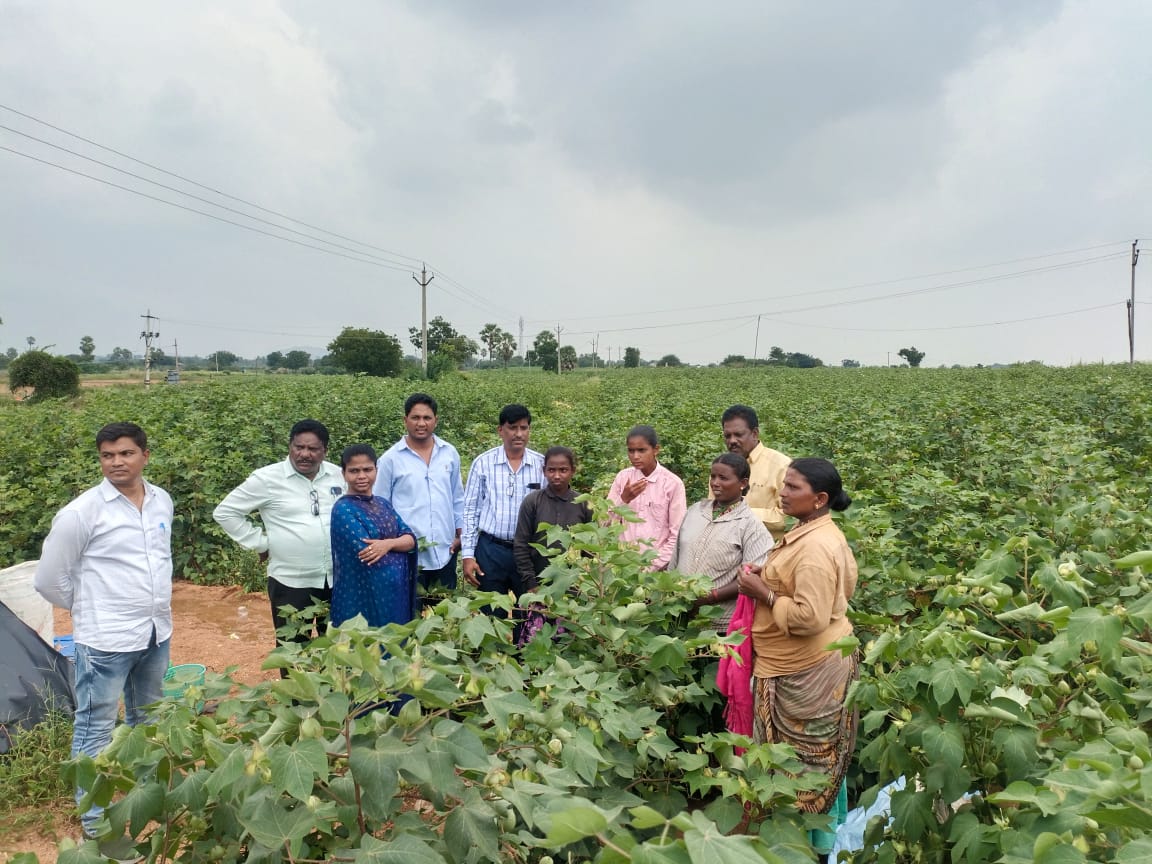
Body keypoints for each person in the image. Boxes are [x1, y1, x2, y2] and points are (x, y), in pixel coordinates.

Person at [35, 422, 173, 841]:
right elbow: (48, 580)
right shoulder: (82, 512)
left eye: (126, 453)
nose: (116, 462)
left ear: (145, 456)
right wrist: (91, 610)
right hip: (106, 641)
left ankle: (142, 798)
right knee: (95, 727)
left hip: (155, 634)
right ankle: (95, 823)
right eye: (108, 455)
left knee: (145, 720)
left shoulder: (161, 500)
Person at [736, 457, 859, 845]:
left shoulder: (817, 548)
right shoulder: (813, 531)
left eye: (793, 488)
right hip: (797, 663)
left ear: (819, 498)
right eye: (783, 484)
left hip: (807, 669)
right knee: (803, 761)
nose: (782, 493)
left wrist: (765, 593)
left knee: (806, 765)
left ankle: (801, 845)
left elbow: (811, 617)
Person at [213, 419, 343, 661]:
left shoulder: (338, 475)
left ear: (325, 450)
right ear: (290, 446)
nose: (304, 454)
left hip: (337, 579)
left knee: (337, 645)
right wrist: (260, 543)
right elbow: (226, 512)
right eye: (298, 447)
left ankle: (334, 696)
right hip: (291, 582)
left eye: (313, 449)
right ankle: (297, 698)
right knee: (293, 648)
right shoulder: (267, 479)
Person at [374, 394, 464, 606]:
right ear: (405, 420)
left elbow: (457, 498)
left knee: (444, 622)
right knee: (408, 622)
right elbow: (380, 508)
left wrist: (462, 535)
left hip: (445, 552)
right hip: (407, 556)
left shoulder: (449, 453)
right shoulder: (390, 459)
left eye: (427, 417)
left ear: (436, 420)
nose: (421, 423)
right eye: (415, 418)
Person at [670, 452, 773, 631]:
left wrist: (711, 596)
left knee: (712, 658)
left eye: (723, 478)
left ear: (743, 483)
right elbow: (676, 558)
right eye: (713, 476)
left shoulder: (751, 526)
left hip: (720, 623)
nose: (715, 483)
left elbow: (751, 577)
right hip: (678, 614)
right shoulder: (695, 511)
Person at [461, 404, 544, 613]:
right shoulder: (483, 463)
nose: (519, 434)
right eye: (512, 428)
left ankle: (521, 646)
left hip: (527, 552)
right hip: (491, 550)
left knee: (527, 614)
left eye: (524, 428)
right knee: (490, 614)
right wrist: (468, 555)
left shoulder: (541, 465)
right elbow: (470, 510)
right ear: (500, 430)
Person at [330, 445, 418, 628]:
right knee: (363, 649)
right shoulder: (343, 509)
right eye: (354, 471)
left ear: (376, 470)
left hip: (395, 596)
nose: (361, 476)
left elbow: (410, 539)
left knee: (395, 646)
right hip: (361, 595)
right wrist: (396, 545)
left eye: (367, 470)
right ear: (344, 473)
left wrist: (386, 545)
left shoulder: (383, 504)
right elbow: (368, 553)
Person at [607, 425, 687, 571]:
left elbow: (676, 535)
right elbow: (605, 524)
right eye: (631, 451)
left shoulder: (672, 484)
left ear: (655, 450)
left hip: (657, 570)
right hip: (621, 565)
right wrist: (623, 499)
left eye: (641, 450)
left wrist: (650, 566)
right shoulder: (623, 478)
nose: (635, 456)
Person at [514, 446, 594, 591]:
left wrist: (585, 582)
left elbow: (590, 549)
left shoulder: (584, 503)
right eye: (551, 470)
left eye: (563, 470)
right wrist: (530, 582)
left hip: (574, 584)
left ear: (573, 471)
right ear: (544, 471)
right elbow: (521, 545)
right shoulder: (532, 501)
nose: (557, 475)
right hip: (538, 582)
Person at [721, 404, 791, 540]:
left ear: (755, 433)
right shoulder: (722, 467)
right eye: (727, 436)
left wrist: (741, 513)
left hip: (769, 552)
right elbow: (714, 510)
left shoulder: (782, 466)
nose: (732, 441)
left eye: (738, 435)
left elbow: (788, 518)